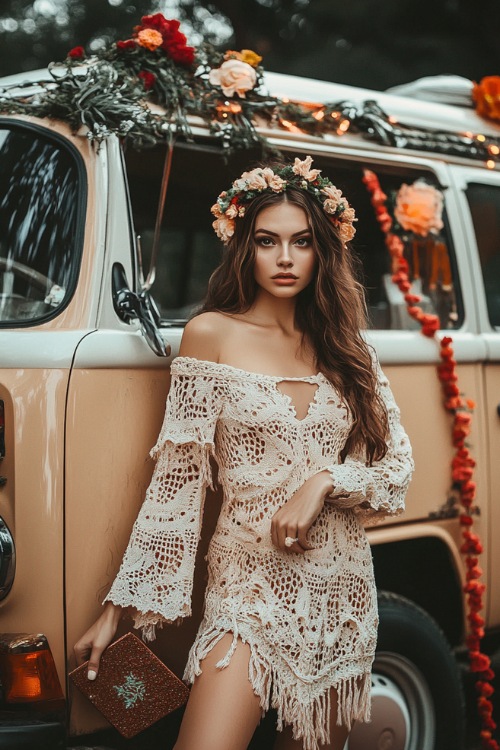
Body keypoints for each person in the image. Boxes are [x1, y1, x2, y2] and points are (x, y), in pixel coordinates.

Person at [74, 156, 414, 750]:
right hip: (246, 593)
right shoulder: (212, 334)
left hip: (342, 595)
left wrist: (323, 482)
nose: (285, 258)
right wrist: (121, 608)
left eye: (301, 242)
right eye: (267, 241)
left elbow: (396, 469)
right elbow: (176, 483)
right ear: (245, 249)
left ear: (322, 251)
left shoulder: (349, 348)